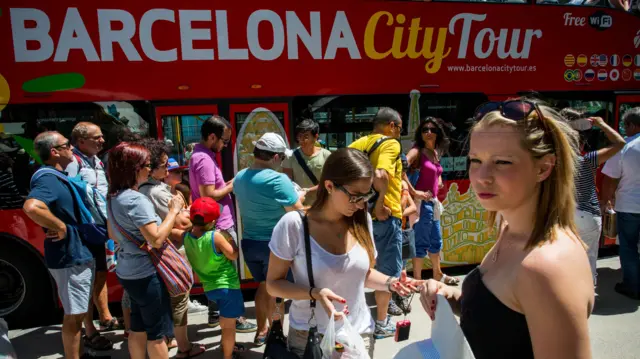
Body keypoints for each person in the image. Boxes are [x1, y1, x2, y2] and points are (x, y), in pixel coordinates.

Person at [420, 99, 594, 359]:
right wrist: (451, 297)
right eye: (475, 159)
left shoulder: (546, 267)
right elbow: (505, 316)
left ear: (544, 168)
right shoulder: (510, 229)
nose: (481, 176)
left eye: (502, 162)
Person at [266, 148, 420, 357]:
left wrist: (391, 283)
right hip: (311, 336)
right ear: (329, 186)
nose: (361, 204)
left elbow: (362, 274)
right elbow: (273, 285)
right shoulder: (294, 225)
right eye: (355, 196)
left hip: (359, 333)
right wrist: (315, 294)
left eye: (366, 195)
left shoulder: (362, 220)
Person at [23, 131, 110, 359]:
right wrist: (60, 226)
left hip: (76, 254)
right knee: (74, 315)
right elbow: (32, 207)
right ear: (54, 152)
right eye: (66, 145)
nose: (71, 148)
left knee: (78, 313)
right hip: (69, 256)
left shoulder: (56, 175)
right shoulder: (47, 178)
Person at [106, 142, 186, 359]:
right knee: (157, 334)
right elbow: (157, 239)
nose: (149, 170)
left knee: (138, 326)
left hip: (127, 271)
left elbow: (113, 236)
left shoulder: (113, 196)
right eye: (146, 165)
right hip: (146, 272)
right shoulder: (136, 200)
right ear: (134, 168)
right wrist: (173, 211)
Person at [137, 139, 206, 358]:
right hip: (170, 251)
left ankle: (169, 338)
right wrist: (180, 209)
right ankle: (184, 346)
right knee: (179, 300)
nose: (168, 170)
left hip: (156, 254)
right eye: (164, 165)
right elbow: (185, 222)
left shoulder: (141, 190)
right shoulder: (158, 193)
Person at [234, 132, 304, 345]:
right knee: (278, 290)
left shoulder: (240, 177)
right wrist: (302, 197)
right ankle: (276, 334)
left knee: (263, 286)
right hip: (275, 245)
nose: (282, 162)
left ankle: (261, 331)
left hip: (250, 244)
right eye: (282, 158)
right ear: (275, 157)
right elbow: (297, 212)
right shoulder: (278, 179)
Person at [188, 115, 257, 333]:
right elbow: (209, 194)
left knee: (215, 272)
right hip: (221, 224)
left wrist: (225, 185)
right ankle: (234, 317)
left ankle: (216, 314)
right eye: (224, 141)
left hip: (215, 222)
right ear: (212, 136)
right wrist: (232, 185)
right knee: (228, 274)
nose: (225, 146)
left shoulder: (200, 155)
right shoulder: (205, 160)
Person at [348, 107, 405, 338]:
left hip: (358, 217)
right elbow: (382, 174)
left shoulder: (358, 144)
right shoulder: (390, 144)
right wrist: (380, 203)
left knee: (357, 270)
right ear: (391, 126)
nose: (400, 133)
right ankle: (382, 324)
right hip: (384, 217)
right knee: (386, 274)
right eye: (400, 128)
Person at [66, 122, 123, 339]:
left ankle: (105, 317)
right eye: (96, 137)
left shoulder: (96, 160)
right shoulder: (74, 162)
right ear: (81, 141)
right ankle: (89, 331)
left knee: (100, 274)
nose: (102, 140)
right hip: (86, 229)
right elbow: (71, 194)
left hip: (101, 226)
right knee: (87, 280)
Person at [560, 109, 626, 287]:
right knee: (588, 260)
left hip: (563, 216)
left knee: (565, 260)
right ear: (581, 145)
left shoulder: (555, 162)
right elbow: (619, 143)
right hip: (588, 215)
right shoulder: (588, 160)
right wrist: (601, 124)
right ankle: (586, 299)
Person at [184, 197, 247, 359]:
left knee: (223, 321)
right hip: (227, 287)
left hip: (209, 288)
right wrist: (229, 237)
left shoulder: (187, 237)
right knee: (229, 327)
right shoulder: (216, 237)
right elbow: (233, 255)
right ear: (212, 221)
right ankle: (228, 356)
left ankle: (226, 344)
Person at [405, 117, 457, 285]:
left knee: (436, 240)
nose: (429, 132)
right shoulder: (417, 151)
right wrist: (414, 192)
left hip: (433, 203)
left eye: (432, 130)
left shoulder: (434, 152)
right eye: (425, 129)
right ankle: (418, 279)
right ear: (420, 133)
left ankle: (437, 273)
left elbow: (436, 169)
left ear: (437, 134)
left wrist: (439, 178)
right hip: (422, 205)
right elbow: (400, 167)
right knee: (421, 241)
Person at [601, 107, 640, 299]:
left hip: (629, 207)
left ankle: (633, 286)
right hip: (630, 206)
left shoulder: (625, 147)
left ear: (632, 125)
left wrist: (605, 201)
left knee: (629, 246)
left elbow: (609, 178)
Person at [283, 119, 332, 207]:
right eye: (299, 136)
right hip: (300, 206)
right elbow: (288, 182)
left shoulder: (326, 155)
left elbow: (329, 183)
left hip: (322, 205)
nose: (301, 140)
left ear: (316, 137)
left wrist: (308, 190)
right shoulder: (290, 156)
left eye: (306, 136)